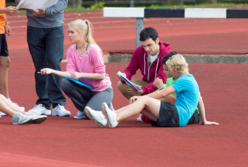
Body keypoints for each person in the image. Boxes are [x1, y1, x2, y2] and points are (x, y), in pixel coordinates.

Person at [86, 54, 219, 128]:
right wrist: (204, 120)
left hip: (177, 115)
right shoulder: (188, 79)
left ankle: (115, 118)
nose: (166, 73)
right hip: (177, 117)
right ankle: (105, 118)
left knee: (143, 100)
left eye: (167, 70)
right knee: (141, 106)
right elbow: (198, 100)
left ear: (176, 70)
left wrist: (143, 97)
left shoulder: (185, 80)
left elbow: (163, 93)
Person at [15, 0, 70, 117]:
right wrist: (25, 4)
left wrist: (47, 10)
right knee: (39, 65)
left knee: (53, 63)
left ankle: (59, 104)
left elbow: (63, 2)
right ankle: (44, 103)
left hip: (54, 27)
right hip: (34, 27)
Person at [39, 19, 113, 119]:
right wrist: (52, 71)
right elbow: (70, 74)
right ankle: (87, 109)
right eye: (68, 32)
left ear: (82, 33)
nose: (69, 35)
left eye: (72, 32)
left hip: (102, 90)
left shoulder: (94, 50)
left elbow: (101, 76)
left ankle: (105, 107)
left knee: (89, 115)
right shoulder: (71, 51)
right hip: (87, 89)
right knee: (66, 84)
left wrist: (81, 74)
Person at [117, 27, 171, 121]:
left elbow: (160, 79)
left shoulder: (166, 55)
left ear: (157, 40)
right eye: (144, 46)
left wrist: (143, 91)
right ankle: (142, 108)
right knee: (121, 84)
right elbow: (130, 69)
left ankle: (141, 110)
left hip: (161, 89)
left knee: (150, 116)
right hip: (147, 86)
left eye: (149, 45)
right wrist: (125, 76)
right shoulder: (139, 51)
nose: (146, 49)